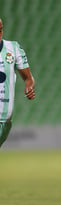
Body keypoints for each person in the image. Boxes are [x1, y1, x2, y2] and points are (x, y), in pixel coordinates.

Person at [0, 18, 35, 147]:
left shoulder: (13, 48)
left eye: (0, 30)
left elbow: (28, 78)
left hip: (4, 120)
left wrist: (29, 86)